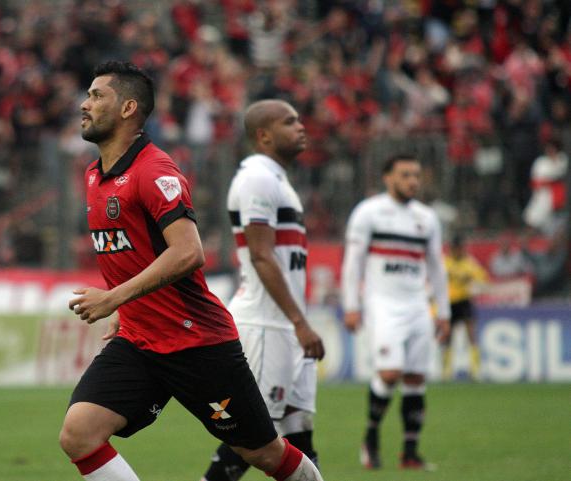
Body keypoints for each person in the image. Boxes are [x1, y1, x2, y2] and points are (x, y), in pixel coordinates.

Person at [59, 61, 324, 481]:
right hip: (140, 340)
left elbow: (188, 252)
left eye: (96, 96)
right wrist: (128, 312)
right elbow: (135, 252)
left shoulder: (155, 171)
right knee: (79, 433)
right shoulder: (95, 176)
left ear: (128, 108)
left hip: (195, 340)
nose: (84, 104)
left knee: (263, 453)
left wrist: (114, 298)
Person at [200, 100, 326, 481]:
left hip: (286, 324)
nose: (301, 127)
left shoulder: (279, 180)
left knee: (297, 423)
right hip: (266, 324)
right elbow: (261, 255)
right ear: (264, 135)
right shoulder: (257, 178)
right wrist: (300, 322)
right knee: (256, 436)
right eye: (290, 122)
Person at [340, 154, 450, 470]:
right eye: (405, 175)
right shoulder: (369, 212)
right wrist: (351, 305)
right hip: (382, 304)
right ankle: (371, 438)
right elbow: (353, 262)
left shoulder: (426, 217)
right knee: (390, 374)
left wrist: (442, 311)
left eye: (416, 175)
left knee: (416, 377)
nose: (412, 181)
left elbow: (436, 266)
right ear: (387, 177)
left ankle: (410, 453)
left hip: (417, 305)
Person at [442, 233, 489, 380]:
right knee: (447, 337)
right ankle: (447, 372)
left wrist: (476, 287)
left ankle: (475, 370)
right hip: (448, 303)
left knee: (471, 335)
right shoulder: (444, 263)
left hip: (464, 302)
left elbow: (483, 281)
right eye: (455, 248)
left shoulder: (470, 264)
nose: (457, 251)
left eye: (459, 248)